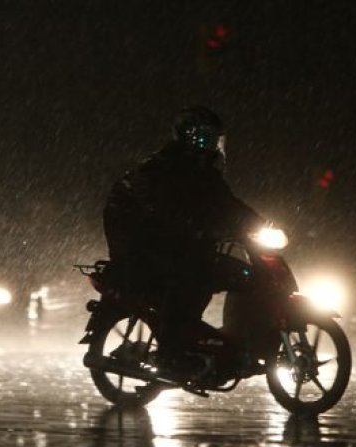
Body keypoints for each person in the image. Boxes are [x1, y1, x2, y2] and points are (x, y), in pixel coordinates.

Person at [103, 105, 265, 376]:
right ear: (187, 137)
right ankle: (170, 353)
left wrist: (260, 223)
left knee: (232, 273)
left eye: (214, 139)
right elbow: (161, 209)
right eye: (204, 138)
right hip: (139, 243)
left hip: (174, 240)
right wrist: (192, 229)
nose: (210, 145)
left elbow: (227, 203)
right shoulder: (162, 168)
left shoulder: (205, 172)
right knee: (190, 278)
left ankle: (211, 341)